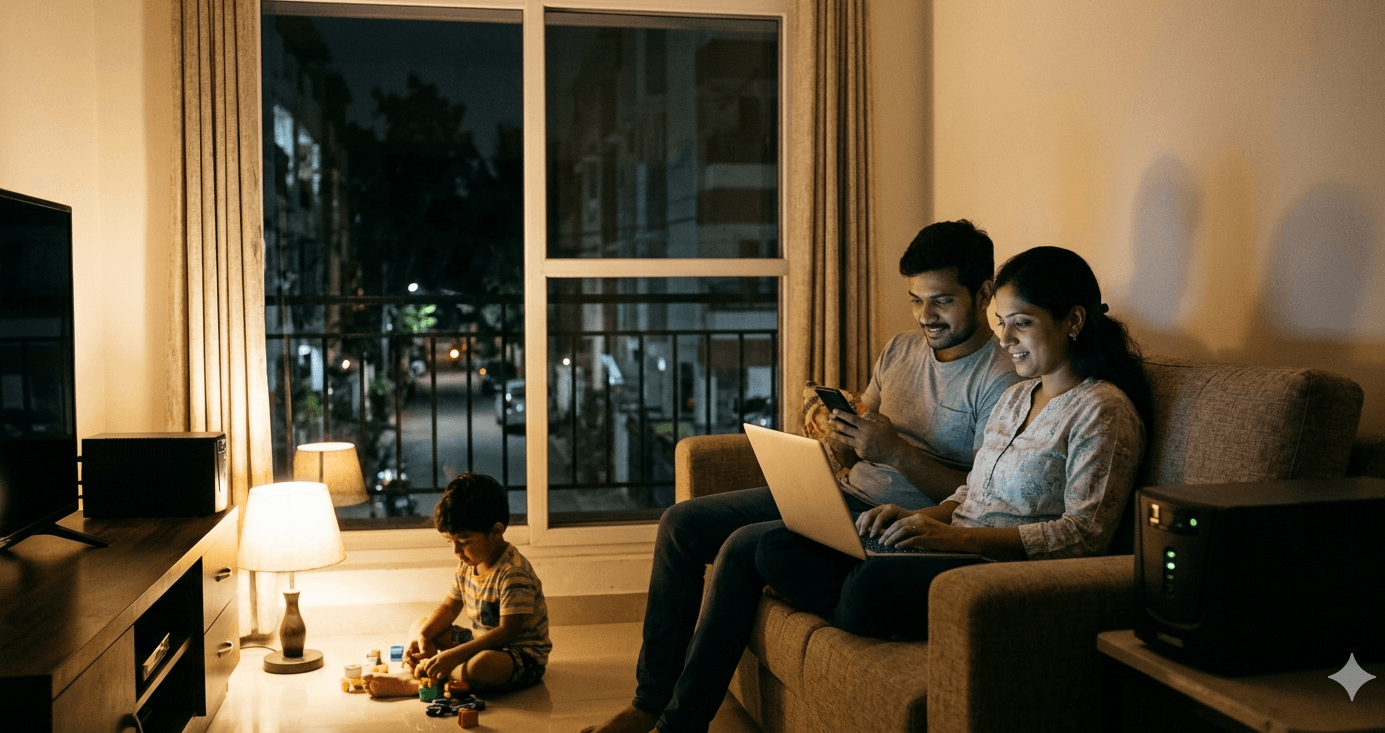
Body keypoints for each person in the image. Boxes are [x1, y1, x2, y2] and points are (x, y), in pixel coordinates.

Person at [583, 220, 1023, 733]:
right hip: (843, 492)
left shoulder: (1003, 380)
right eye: (916, 300)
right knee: (681, 524)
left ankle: (679, 725)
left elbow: (977, 496)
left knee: (742, 546)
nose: (926, 316)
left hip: (894, 520)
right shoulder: (899, 351)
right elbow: (862, 433)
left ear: (984, 294)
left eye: (941, 301)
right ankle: (647, 702)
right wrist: (842, 436)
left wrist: (896, 454)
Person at [756, 245, 1150, 640]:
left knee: (867, 585)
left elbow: (1082, 536)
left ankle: (856, 607)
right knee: (778, 547)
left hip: (998, 569)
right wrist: (920, 518)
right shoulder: (1016, 397)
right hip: (951, 546)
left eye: (1022, 323)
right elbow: (973, 491)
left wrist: (953, 537)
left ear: (1074, 320)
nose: (1006, 339)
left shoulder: (1103, 410)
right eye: (1002, 323)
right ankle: (858, 611)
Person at [364, 473, 551, 698]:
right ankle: (425, 671)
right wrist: (423, 637)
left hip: (518, 655)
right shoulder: (468, 562)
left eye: (463, 542)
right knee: (421, 625)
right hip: (479, 640)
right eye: (451, 542)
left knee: (480, 666)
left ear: (496, 532)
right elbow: (449, 607)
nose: (456, 551)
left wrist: (454, 656)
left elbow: (506, 633)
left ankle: (426, 681)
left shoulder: (513, 572)